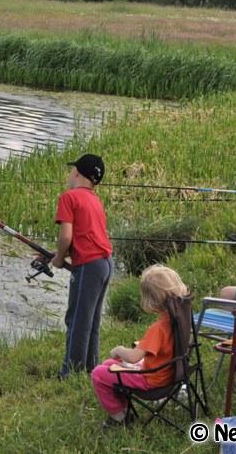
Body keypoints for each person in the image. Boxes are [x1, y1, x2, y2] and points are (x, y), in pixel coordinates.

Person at [90, 264, 189, 428]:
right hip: (169, 373)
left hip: (153, 380)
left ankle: (119, 417)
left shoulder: (158, 329)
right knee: (109, 365)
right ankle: (124, 408)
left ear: (151, 300)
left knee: (99, 374)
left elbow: (134, 357)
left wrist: (119, 350)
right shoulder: (179, 320)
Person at [51, 153, 113, 379]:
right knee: (92, 320)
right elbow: (86, 235)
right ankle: (89, 367)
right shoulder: (94, 199)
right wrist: (59, 254)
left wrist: (59, 258)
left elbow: (66, 236)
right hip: (105, 264)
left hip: (89, 265)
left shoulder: (69, 197)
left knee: (77, 319)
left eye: (72, 170)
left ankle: (71, 373)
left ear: (77, 172)